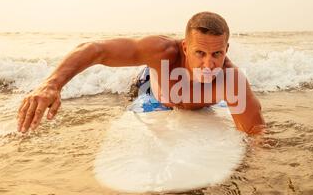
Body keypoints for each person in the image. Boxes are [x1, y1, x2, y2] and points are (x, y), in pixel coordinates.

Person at [17, 11, 266, 134]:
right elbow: (96, 50)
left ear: (226, 50)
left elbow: (257, 134)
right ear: (185, 47)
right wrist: (52, 84)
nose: (209, 64)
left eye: (217, 55)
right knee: (136, 93)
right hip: (150, 88)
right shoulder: (162, 52)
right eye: (200, 53)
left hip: (189, 100)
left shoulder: (232, 82)